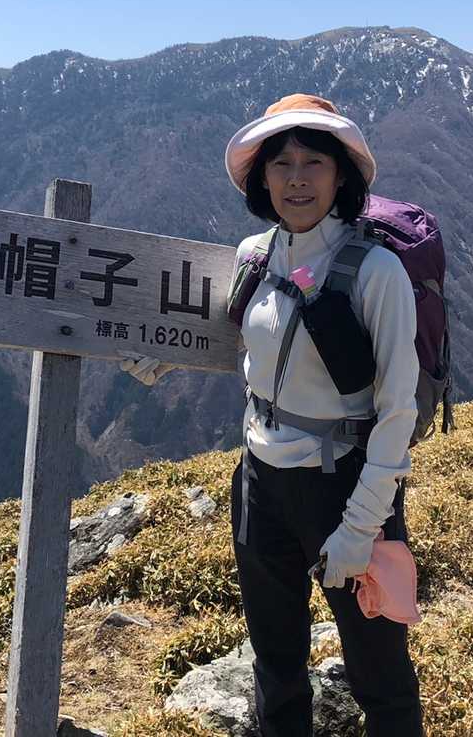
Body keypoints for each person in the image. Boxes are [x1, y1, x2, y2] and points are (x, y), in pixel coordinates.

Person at [121, 93, 425, 736]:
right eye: (281, 163)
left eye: (314, 162)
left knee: (379, 673)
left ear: (341, 175)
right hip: (259, 482)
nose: (296, 179)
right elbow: (245, 338)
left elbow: (398, 412)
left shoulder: (376, 272)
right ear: (261, 178)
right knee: (276, 659)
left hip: (343, 483)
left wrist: (361, 527)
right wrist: (165, 358)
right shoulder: (254, 255)